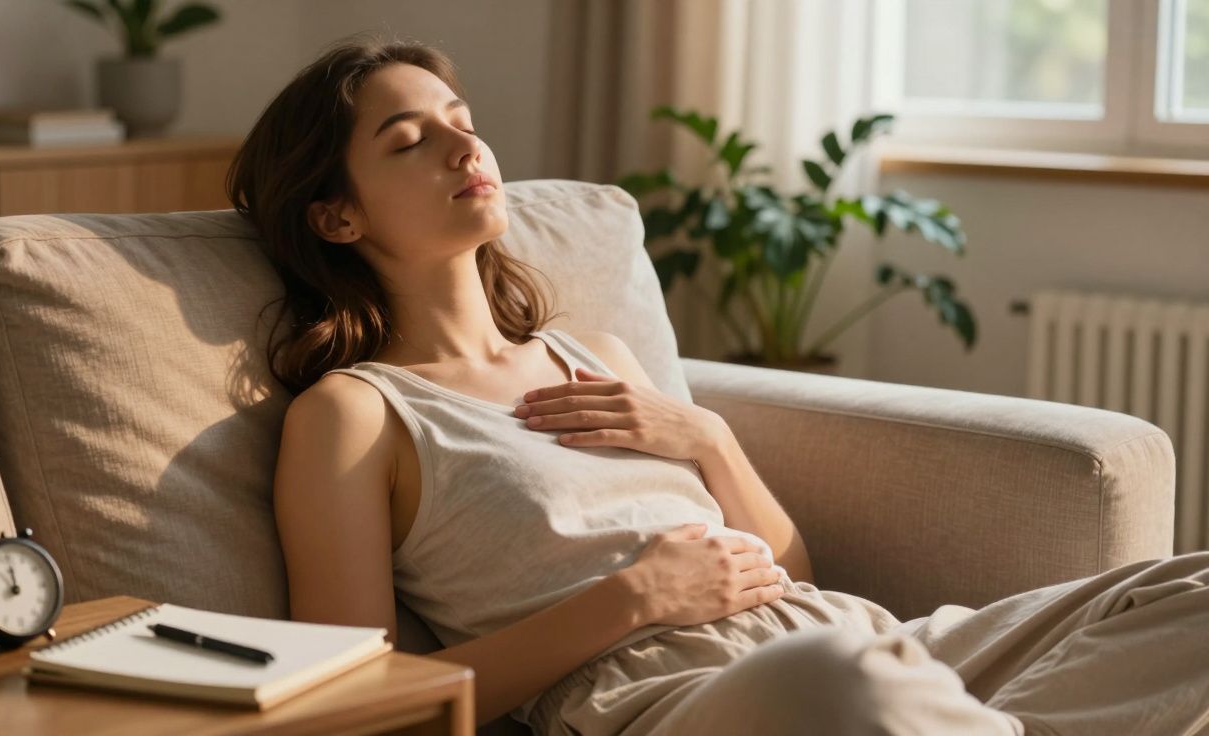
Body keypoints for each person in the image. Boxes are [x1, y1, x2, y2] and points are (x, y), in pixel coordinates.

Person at [226, 32, 1209, 736]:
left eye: (461, 120)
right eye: (408, 141)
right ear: (336, 218)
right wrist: (632, 598)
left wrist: (707, 440)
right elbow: (355, 704)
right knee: (844, 686)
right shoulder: (355, 414)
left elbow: (796, 573)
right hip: (683, 697)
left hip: (858, 640)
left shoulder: (596, 355)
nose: (464, 147)